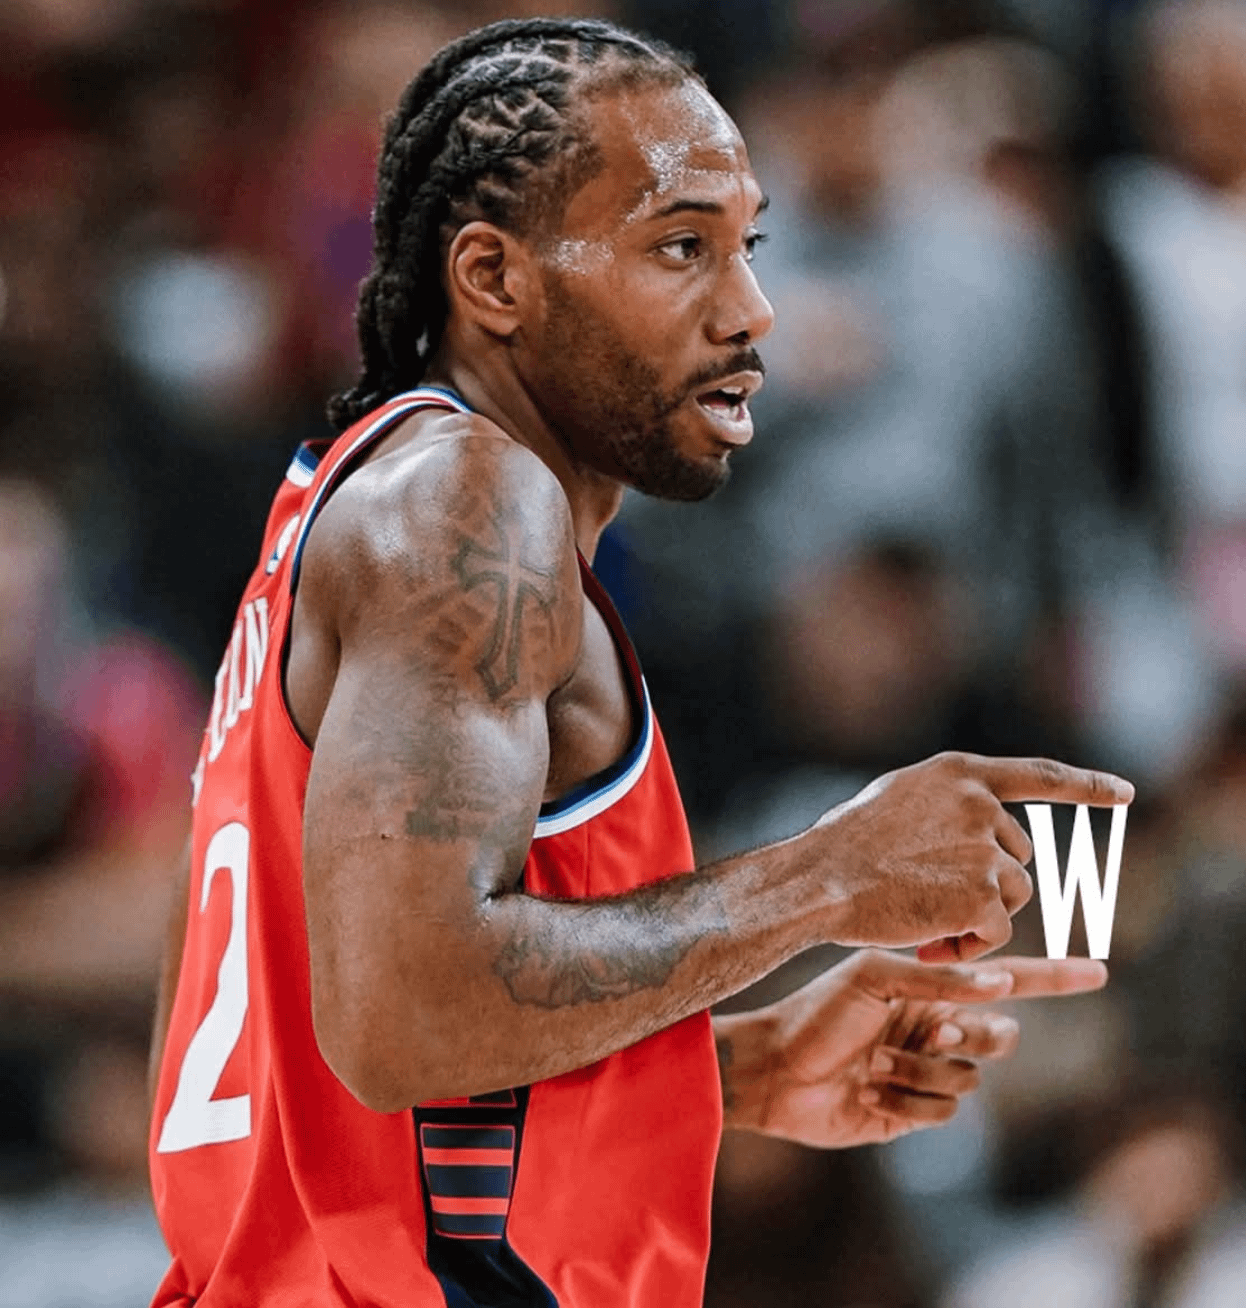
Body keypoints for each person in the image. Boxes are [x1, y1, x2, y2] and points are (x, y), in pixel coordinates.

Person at [146, 17, 1133, 1308]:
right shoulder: (466, 507)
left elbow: (299, 1049)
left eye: (748, 246)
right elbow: (405, 1014)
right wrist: (830, 876)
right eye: (680, 247)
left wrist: (729, 1071)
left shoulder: (355, 511)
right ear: (493, 278)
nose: (753, 311)